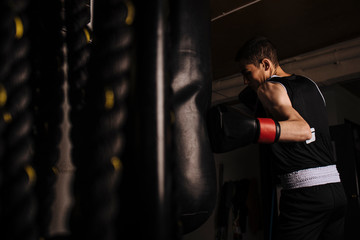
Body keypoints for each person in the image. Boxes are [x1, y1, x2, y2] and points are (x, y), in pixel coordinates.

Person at [207, 36, 347, 240]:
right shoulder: (310, 84)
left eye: (247, 73)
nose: (246, 81)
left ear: (265, 64)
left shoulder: (268, 88)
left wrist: (255, 129)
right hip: (336, 191)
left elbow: (303, 130)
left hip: (305, 195)